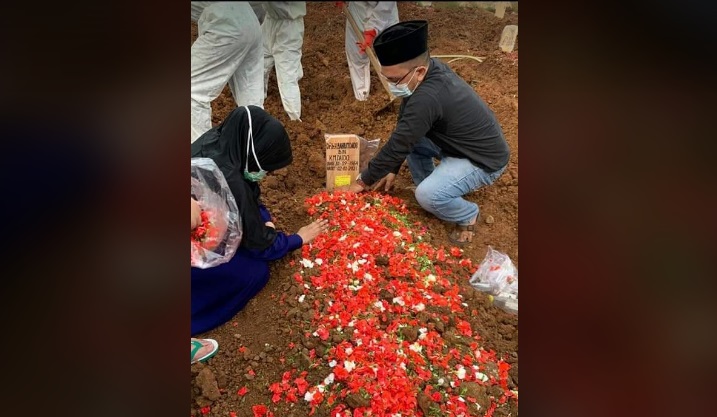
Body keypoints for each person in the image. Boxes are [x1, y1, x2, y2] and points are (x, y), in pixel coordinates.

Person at [343, 21, 510, 246]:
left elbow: (401, 142)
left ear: (419, 71)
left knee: (427, 196)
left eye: (394, 80)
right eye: (386, 78)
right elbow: (405, 127)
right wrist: (391, 167)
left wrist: (362, 182)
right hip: (456, 144)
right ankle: (430, 184)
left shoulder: (428, 97)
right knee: (413, 141)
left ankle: (466, 213)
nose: (391, 85)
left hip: (482, 160)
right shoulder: (428, 73)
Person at [190, 106, 329, 335]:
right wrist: (297, 238)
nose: (265, 174)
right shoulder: (231, 179)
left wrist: (263, 219)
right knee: (255, 272)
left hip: (198, 227)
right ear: (254, 153)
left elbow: (248, 194)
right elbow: (261, 247)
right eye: (266, 167)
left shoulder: (221, 142)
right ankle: (194, 320)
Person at [191, 2, 264, 143]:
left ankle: (202, 159)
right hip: (250, 21)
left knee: (191, 90)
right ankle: (258, 154)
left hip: (224, 25)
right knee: (251, 102)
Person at [339, 1, 399, 101]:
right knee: (356, 56)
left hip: (385, 14)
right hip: (357, 10)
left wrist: (373, 28)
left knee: (390, 56)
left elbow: (386, 4)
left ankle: (395, 93)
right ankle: (362, 98)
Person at [262, 2, 306, 121]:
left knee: (287, 75)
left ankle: (295, 119)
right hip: (269, 20)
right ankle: (256, 103)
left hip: (289, 24)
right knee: (259, 63)